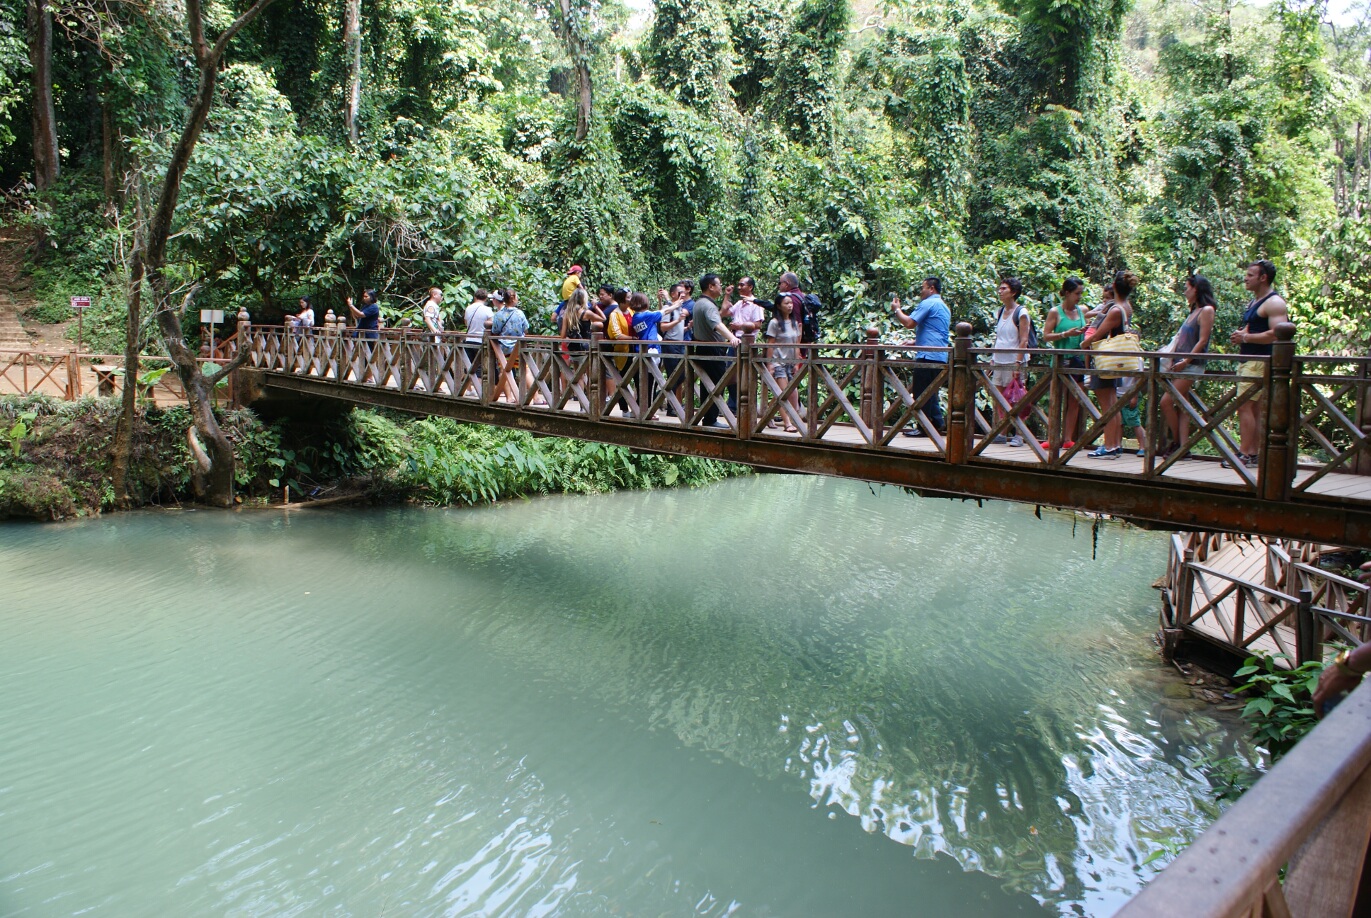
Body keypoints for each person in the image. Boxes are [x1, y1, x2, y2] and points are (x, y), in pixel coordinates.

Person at [1226, 260, 1290, 469]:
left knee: (1245, 406)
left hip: (1260, 361)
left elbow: (1277, 333)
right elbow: (1252, 329)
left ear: (1263, 278)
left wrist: (1246, 338)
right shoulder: (1255, 302)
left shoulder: (1274, 303)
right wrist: (1242, 335)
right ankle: (1253, 453)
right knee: (1253, 408)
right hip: (1249, 360)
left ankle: (1244, 454)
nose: (1246, 278)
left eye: (1250, 275)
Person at [1081, 270, 1139, 459]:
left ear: (1114, 286)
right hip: (1115, 360)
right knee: (1113, 403)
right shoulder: (1126, 307)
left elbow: (1098, 333)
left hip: (1105, 360)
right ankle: (1114, 445)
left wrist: (1084, 343)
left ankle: (1109, 445)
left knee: (1108, 405)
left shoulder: (1115, 310)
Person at [1159, 275, 1217, 459]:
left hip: (1191, 366)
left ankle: (1176, 443)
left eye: (1187, 288)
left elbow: (1203, 340)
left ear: (1196, 289)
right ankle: (1184, 447)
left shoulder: (1206, 310)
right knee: (1183, 406)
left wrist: (1186, 360)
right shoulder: (1193, 311)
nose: (1185, 292)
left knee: (1166, 401)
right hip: (1180, 365)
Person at [891, 276, 951, 437]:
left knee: (921, 393)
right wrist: (914, 341)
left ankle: (924, 427)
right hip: (940, 355)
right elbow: (935, 332)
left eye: (923, 288)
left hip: (927, 356)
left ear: (931, 288)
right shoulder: (943, 306)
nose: (921, 291)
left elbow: (909, 322)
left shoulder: (929, 303)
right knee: (931, 392)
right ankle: (937, 424)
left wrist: (897, 309)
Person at [1040, 278, 1087, 450]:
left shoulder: (1083, 310)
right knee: (1056, 399)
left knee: (1074, 400)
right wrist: (1065, 334)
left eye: (1081, 293)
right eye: (1077, 293)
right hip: (1060, 360)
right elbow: (1046, 335)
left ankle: (1067, 438)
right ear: (1067, 293)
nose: (1079, 297)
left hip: (1078, 360)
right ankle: (1052, 437)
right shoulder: (1055, 312)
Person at [692, 273, 741, 428]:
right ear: (711, 287)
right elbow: (716, 324)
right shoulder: (708, 305)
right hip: (711, 349)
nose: (720, 287)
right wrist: (732, 338)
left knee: (707, 384)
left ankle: (708, 417)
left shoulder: (699, 303)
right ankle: (710, 419)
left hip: (701, 347)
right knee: (716, 384)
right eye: (718, 284)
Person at [990, 277, 1031, 447]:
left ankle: (1019, 435)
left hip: (1014, 361)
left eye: (1004, 289)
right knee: (999, 398)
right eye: (1000, 288)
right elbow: (1000, 337)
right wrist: (993, 358)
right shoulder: (1000, 311)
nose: (1000, 291)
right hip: (999, 360)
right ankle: (1002, 432)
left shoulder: (1021, 313)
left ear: (1013, 292)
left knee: (1017, 399)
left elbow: (1024, 340)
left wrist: (1018, 363)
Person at [766, 291, 805, 432]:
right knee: (783, 393)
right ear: (779, 306)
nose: (790, 306)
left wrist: (796, 362)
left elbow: (796, 344)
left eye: (791, 303)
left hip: (790, 362)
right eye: (786, 303)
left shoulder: (795, 323)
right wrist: (769, 364)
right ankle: (788, 423)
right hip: (778, 362)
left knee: (793, 393)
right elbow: (770, 344)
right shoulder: (774, 323)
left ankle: (767, 414)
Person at [490, 288, 529, 402]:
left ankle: (509, 398)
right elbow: (526, 329)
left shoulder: (499, 314)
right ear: (514, 299)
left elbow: (495, 330)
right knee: (525, 370)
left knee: (504, 370)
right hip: (518, 347)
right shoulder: (519, 313)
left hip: (503, 348)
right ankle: (534, 397)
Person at [629, 292, 664, 415]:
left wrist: (661, 302)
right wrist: (676, 304)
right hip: (651, 352)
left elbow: (658, 315)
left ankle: (639, 409)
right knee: (651, 383)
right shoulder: (647, 316)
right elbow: (664, 313)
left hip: (641, 352)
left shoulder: (636, 317)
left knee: (641, 382)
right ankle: (649, 411)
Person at [659, 284, 690, 417]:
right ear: (673, 294)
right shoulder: (668, 308)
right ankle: (671, 407)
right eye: (680, 292)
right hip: (670, 345)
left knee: (681, 375)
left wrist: (687, 327)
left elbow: (676, 329)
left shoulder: (681, 308)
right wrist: (678, 320)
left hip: (680, 344)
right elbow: (664, 327)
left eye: (684, 292)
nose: (683, 294)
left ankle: (666, 400)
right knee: (673, 375)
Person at [463, 288, 493, 389]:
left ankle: (468, 389)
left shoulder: (468, 308)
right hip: (481, 341)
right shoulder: (487, 310)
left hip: (469, 339)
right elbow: (491, 324)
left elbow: (466, 323)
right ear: (485, 298)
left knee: (468, 366)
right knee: (480, 367)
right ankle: (478, 390)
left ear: (475, 297)